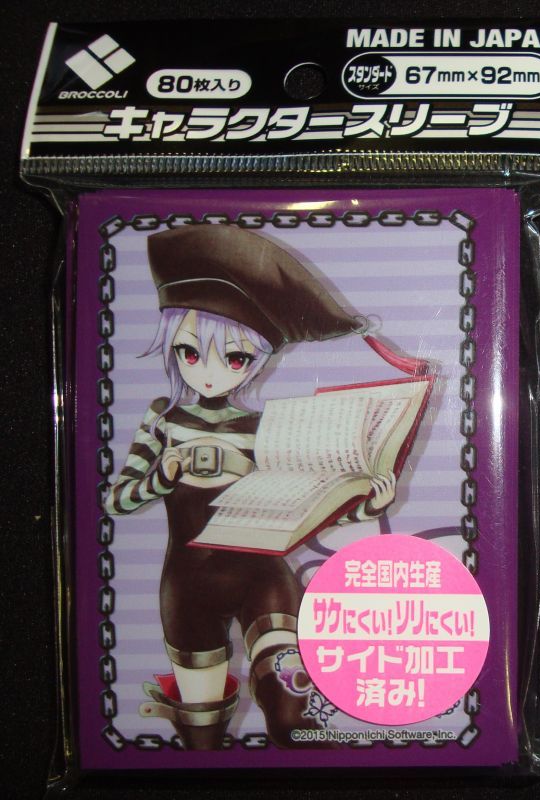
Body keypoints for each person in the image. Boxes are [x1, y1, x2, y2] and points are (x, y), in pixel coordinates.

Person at [105, 224, 396, 749]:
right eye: (190, 351)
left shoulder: (266, 429)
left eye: (235, 357)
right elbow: (119, 499)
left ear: (258, 359)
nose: (209, 372)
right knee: (201, 734)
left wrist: (366, 502)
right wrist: (162, 476)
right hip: (187, 585)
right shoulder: (163, 419)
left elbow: (309, 501)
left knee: (291, 712)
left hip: (263, 576)